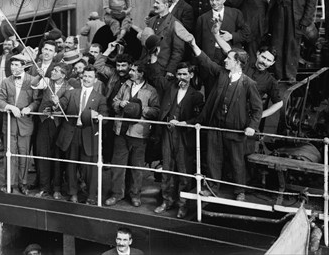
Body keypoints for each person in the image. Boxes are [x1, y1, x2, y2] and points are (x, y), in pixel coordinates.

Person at [184, 33, 263, 201]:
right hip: (215, 125)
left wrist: (252, 126)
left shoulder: (248, 83)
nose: (225, 61)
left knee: (236, 161)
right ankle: (212, 187)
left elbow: (257, 109)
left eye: (228, 59)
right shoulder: (221, 74)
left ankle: (239, 190)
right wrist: (193, 44)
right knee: (213, 158)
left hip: (235, 128)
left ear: (238, 63)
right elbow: (206, 61)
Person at [146, 58, 204, 219]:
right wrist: (154, 56)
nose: (181, 77)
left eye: (185, 74)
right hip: (167, 134)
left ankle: (183, 205)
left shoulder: (197, 95)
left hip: (184, 137)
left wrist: (183, 123)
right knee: (167, 169)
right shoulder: (169, 88)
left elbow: (199, 118)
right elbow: (156, 75)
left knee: (184, 173)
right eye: (179, 74)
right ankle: (167, 201)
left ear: (191, 75)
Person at [106, 62, 160, 207]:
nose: (130, 72)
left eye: (134, 70)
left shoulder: (151, 91)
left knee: (137, 167)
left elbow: (156, 111)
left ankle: (135, 195)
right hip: (120, 130)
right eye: (131, 70)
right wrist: (120, 104)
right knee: (118, 165)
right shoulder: (125, 85)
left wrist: (139, 109)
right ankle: (117, 194)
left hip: (139, 133)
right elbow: (114, 101)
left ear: (142, 73)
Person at [55, 66, 108, 204]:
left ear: (95, 80)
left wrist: (99, 116)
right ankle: (73, 193)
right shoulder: (71, 93)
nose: (87, 79)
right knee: (71, 166)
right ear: (81, 77)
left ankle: (91, 196)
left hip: (89, 135)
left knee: (89, 169)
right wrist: (56, 103)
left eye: (90, 76)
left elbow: (106, 116)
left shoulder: (100, 98)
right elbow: (62, 104)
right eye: (85, 76)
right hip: (71, 133)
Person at [0, 54, 40, 194]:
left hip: (25, 124)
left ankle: (23, 183)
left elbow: (37, 100)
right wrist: (10, 107)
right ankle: (9, 183)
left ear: (24, 66)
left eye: (17, 65)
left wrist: (29, 108)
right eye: (12, 64)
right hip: (10, 125)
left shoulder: (32, 81)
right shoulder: (6, 82)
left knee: (24, 155)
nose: (13, 67)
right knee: (10, 155)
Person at [31, 62, 72, 199]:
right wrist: (39, 75)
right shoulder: (47, 81)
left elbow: (66, 106)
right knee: (43, 154)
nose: (52, 72)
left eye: (56, 70)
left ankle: (57, 188)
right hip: (44, 123)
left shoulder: (69, 88)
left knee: (57, 156)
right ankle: (44, 187)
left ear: (63, 75)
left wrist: (57, 104)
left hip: (59, 125)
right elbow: (34, 84)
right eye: (53, 69)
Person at [195, 0, 250, 67]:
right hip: (210, 58)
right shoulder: (202, 18)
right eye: (211, 0)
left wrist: (232, 36)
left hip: (230, 56)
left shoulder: (235, 13)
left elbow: (246, 32)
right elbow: (198, 43)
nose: (214, 3)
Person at [145, 0, 185, 77]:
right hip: (146, 67)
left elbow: (178, 52)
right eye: (155, 2)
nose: (154, 5)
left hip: (161, 69)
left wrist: (170, 70)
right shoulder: (151, 21)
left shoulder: (176, 24)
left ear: (166, 5)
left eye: (157, 3)